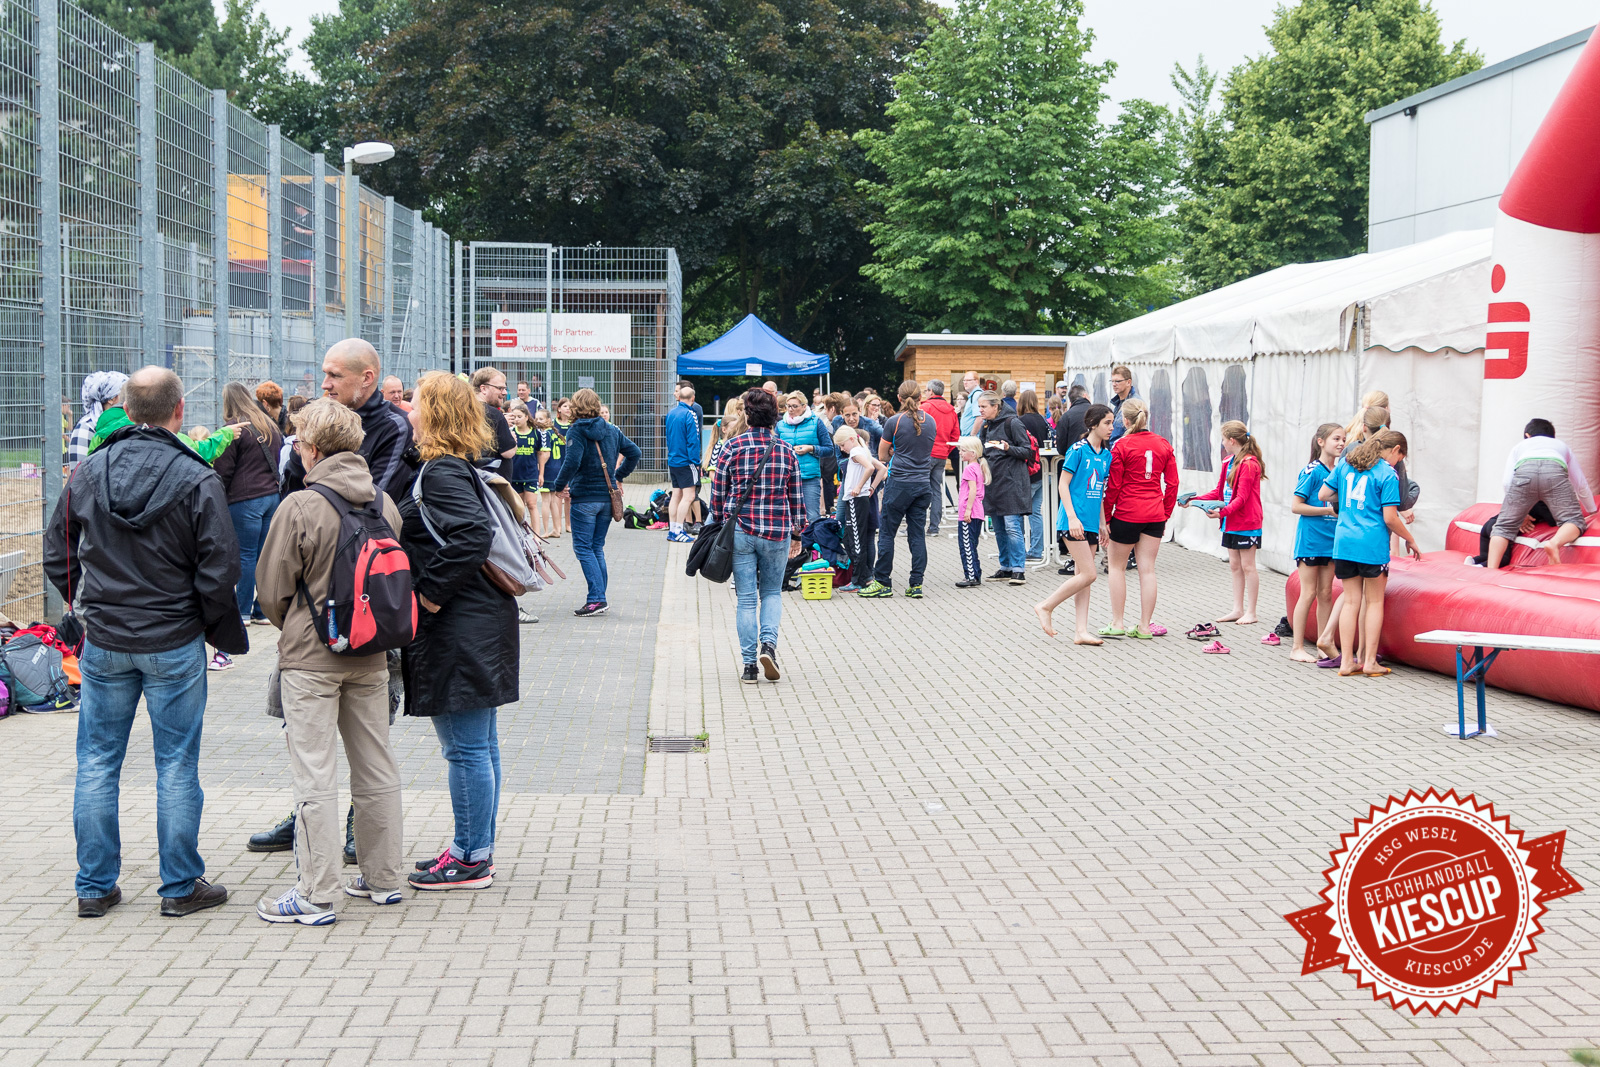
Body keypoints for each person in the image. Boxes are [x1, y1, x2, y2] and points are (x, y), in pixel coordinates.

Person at [44, 366, 243, 919]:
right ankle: (179, 886)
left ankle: (94, 885)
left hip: (107, 637)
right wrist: (201, 621)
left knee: (97, 762)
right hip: (172, 638)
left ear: (125, 411)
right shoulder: (197, 475)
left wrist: (83, 604)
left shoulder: (87, 472)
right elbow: (221, 565)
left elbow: (58, 549)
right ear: (179, 411)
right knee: (176, 763)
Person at [252, 398, 406, 924]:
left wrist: (297, 626)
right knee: (376, 764)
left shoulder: (300, 506)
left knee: (314, 774)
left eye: (298, 442)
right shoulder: (383, 504)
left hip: (312, 658)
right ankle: (383, 877)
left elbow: (271, 589)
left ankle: (317, 894)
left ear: (312, 449)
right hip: (373, 653)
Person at [400, 373, 520, 889]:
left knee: (466, 747)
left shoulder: (443, 471)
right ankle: (475, 846)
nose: (407, 411)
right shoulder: (454, 466)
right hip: (477, 619)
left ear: (435, 414)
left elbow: (471, 534)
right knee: (479, 742)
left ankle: (472, 857)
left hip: (460, 622)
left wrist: (428, 594)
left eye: (415, 404)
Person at [710, 388, 806, 683]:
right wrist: (797, 533)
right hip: (777, 531)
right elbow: (797, 499)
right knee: (772, 593)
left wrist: (718, 520)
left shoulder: (731, 447)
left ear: (747, 415)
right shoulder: (786, 450)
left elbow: (717, 494)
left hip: (740, 531)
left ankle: (750, 665)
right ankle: (769, 646)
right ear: (775, 416)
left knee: (747, 599)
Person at [1319, 429, 1421, 676]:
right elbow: (1390, 518)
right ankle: (1370, 662)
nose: (1398, 462)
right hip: (1371, 544)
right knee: (1374, 601)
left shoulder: (1346, 464)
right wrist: (1410, 539)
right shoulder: (1387, 473)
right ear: (1395, 450)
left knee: (1351, 601)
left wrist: (1347, 502)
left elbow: (1323, 495)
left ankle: (1346, 662)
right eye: (1400, 457)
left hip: (1344, 542)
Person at [281, 339, 415, 502]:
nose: (324, 384)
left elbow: (375, 503)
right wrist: (302, 445)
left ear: (367, 378)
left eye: (335, 375)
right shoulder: (319, 417)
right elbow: (289, 492)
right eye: (325, 373)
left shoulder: (396, 427)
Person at [550, 388, 642, 616]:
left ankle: (597, 599)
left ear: (576, 406)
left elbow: (571, 462)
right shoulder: (611, 430)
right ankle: (599, 596)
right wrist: (618, 476)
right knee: (596, 547)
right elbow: (635, 453)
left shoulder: (576, 431)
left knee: (583, 548)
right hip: (607, 498)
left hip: (584, 500)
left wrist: (558, 486)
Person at [213, 381, 286, 641]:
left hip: (245, 501)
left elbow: (224, 470)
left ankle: (242, 611)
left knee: (245, 556)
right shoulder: (269, 425)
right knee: (264, 557)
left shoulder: (234, 429)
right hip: (271, 498)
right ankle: (261, 611)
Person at [1033, 404, 1113, 642]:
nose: (1111, 427)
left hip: (1090, 522)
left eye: (1112, 422)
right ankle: (1046, 606)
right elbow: (1063, 485)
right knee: (1089, 574)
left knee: (1083, 577)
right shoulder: (1077, 450)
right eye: (1107, 423)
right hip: (1073, 520)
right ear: (1093, 424)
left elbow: (1098, 492)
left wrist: (1102, 523)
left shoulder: (1106, 455)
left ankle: (1081, 631)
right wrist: (1072, 516)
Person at [1100, 398, 1176, 639]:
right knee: (1148, 571)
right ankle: (1144, 625)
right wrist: (1165, 513)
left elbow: (1114, 485)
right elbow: (1173, 483)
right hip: (1154, 513)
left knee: (1116, 567)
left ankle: (1118, 622)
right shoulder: (1163, 444)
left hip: (1126, 512)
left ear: (1125, 420)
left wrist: (1108, 516)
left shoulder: (1121, 445)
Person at [859, 380, 939, 598]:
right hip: (923, 484)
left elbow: (883, 455)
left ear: (899, 399)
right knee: (917, 535)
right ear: (921, 397)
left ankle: (883, 582)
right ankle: (916, 585)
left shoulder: (894, 421)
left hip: (900, 483)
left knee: (886, 533)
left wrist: (897, 452)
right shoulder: (931, 421)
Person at [1486, 418, 1596, 568]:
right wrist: (1592, 510)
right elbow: (1580, 483)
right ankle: (1554, 543)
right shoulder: (1561, 446)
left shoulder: (1520, 446)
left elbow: (1507, 482)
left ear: (1527, 435)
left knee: (1503, 527)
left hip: (1524, 474)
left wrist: (1519, 511)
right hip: (1554, 472)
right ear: (1552, 436)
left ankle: (1491, 569)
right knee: (1573, 521)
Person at [1186, 420, 1266, 626]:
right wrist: (1194, 500)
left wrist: (1222, 513)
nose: (1222, 444)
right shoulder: (1228, 462)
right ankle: (1237, 609)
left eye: (1223, 440)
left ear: (1232, 440)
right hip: (1231, 521)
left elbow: (1242, 498)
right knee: (1234, 565)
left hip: (1247, 522)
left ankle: (1252, 611)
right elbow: (1219, 492)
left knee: (1249, 566)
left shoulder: (1249, 464)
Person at [1289, 423, 1345, 664]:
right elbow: (1296, 506)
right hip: (1310, 541)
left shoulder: (1341, 471)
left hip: (1331, 542)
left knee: (1326, 594)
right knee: (1308, 592)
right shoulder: (1312, 471)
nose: (1341, 443)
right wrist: (1328, 510)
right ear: (1321, 441)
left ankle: (1325, 643)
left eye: (1344, 439)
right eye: (1336, 439)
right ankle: (1297, 646)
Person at [976, 390, 1035, 586]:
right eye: (979, 407)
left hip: (1012, 482)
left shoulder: (1013, 423)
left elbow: (1027, 450)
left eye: (984, 406)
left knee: (1012, 526)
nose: (981, 410)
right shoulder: (987, 425)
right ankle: (1006, 567)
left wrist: (1007, 448)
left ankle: (1019, 569)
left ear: (996, 406)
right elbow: (984, 450)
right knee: (999, 528)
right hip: (994, 482)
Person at [833, 424, 885, 592]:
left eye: (842, 445)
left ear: (850, 439)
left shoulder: (856, 451)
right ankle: (866, 576)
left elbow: (871, 468)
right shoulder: (863, 450)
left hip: (855, 500)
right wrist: (871, 488)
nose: (842, 449)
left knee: (855, 541)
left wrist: (859, 486)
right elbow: (882, 468)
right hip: (858, 499)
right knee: (851, 539)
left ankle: (859, 580)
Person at [775, 391, 835, 524]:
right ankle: (792, 545)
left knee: (812, 516)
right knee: (787, 517)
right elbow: (774, 449)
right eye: (788, 406)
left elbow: (830, 450)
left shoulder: (816, 422)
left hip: (809, 477)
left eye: (795, 406)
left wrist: (811, 448)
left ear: (804, 406)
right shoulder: (780, 425)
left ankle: (812, 544)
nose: (791, 409)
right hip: (786, 477)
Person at [1015, 390, 1051, 562]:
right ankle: (1036, 550)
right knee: (1035, 512)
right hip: (1042, 470)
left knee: (1019, 511)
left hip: (1027, 472)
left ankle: (1019, 549)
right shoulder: (1042, 420)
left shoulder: (1020, 421)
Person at [68, 371, 127, 473]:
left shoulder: (126, 421)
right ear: (112, 398)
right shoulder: (86, 427)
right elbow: (77, 474)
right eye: (125, 393)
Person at [922, 380, 960, 536]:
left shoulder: (925, 408)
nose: (925, 393)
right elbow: (955, 435)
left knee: (920, 489)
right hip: (941, 455)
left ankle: (916, 525)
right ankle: (934, 527)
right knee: (936, 490)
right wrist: (946, 449)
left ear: (931, 391)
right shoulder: (951, 411)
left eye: (925, 390)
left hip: (926, 454)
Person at [665, 385, 703, 542]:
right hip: (687, 461)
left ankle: (673, 529)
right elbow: (693, 441)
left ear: (679, 397)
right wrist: (696, 462)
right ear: (692, 399)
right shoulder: (690, 414)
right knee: (689, 496)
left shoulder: (671, 413)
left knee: (676, 495)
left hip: (673, 459)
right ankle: (679, 530)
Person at [954, 436, 986, 588]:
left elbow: (972, 490)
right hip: (977, 511)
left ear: (972, 453)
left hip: (969, 513)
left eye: (963, 450)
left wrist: (967, 510)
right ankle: (976, 573)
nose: (960, 452)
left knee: (966, 545)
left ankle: (971, 576)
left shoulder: (969, 469)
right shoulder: (978, 467)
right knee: (972, 544)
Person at [470, 366, 517, 472]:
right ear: (483, 389)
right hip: (491, 481)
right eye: (500, 388)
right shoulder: (494, 414)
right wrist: (512, 440)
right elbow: (508, 452)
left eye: (505, 388)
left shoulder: (464, 410)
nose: (504, 393)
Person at [530, 407, 558, 537]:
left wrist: (540, 472)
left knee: (546, 501)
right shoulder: (553, 432)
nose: (537, 421)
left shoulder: (544, 433)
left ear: (548, 420)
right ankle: (557, 529)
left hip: (548, 469)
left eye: (541, 418)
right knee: (553, 500)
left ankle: (546, 531)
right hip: (556, 468)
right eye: (536, 418)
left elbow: (545, 454)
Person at [1054, 384, 1091, 455]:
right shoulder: (1098, 412)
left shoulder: (1065, 417)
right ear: (1085, 395)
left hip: (1074, 460)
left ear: (1070, 402)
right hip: (1097, 460)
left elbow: (1061, 448)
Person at [1109, 365, 1138, 443]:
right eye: (1112, 381)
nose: (1114, 384)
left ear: (1128, 382)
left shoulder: (1134, 403)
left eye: (1118, 381)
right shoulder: (1118, 403)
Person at [959, 371, 982, 435]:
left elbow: (980, 418)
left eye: (968, 380)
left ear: (976, 382)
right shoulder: (972, 396)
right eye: (964, 380)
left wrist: (972, 436)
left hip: (971, 440)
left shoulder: (977, 395)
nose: (965, 383)